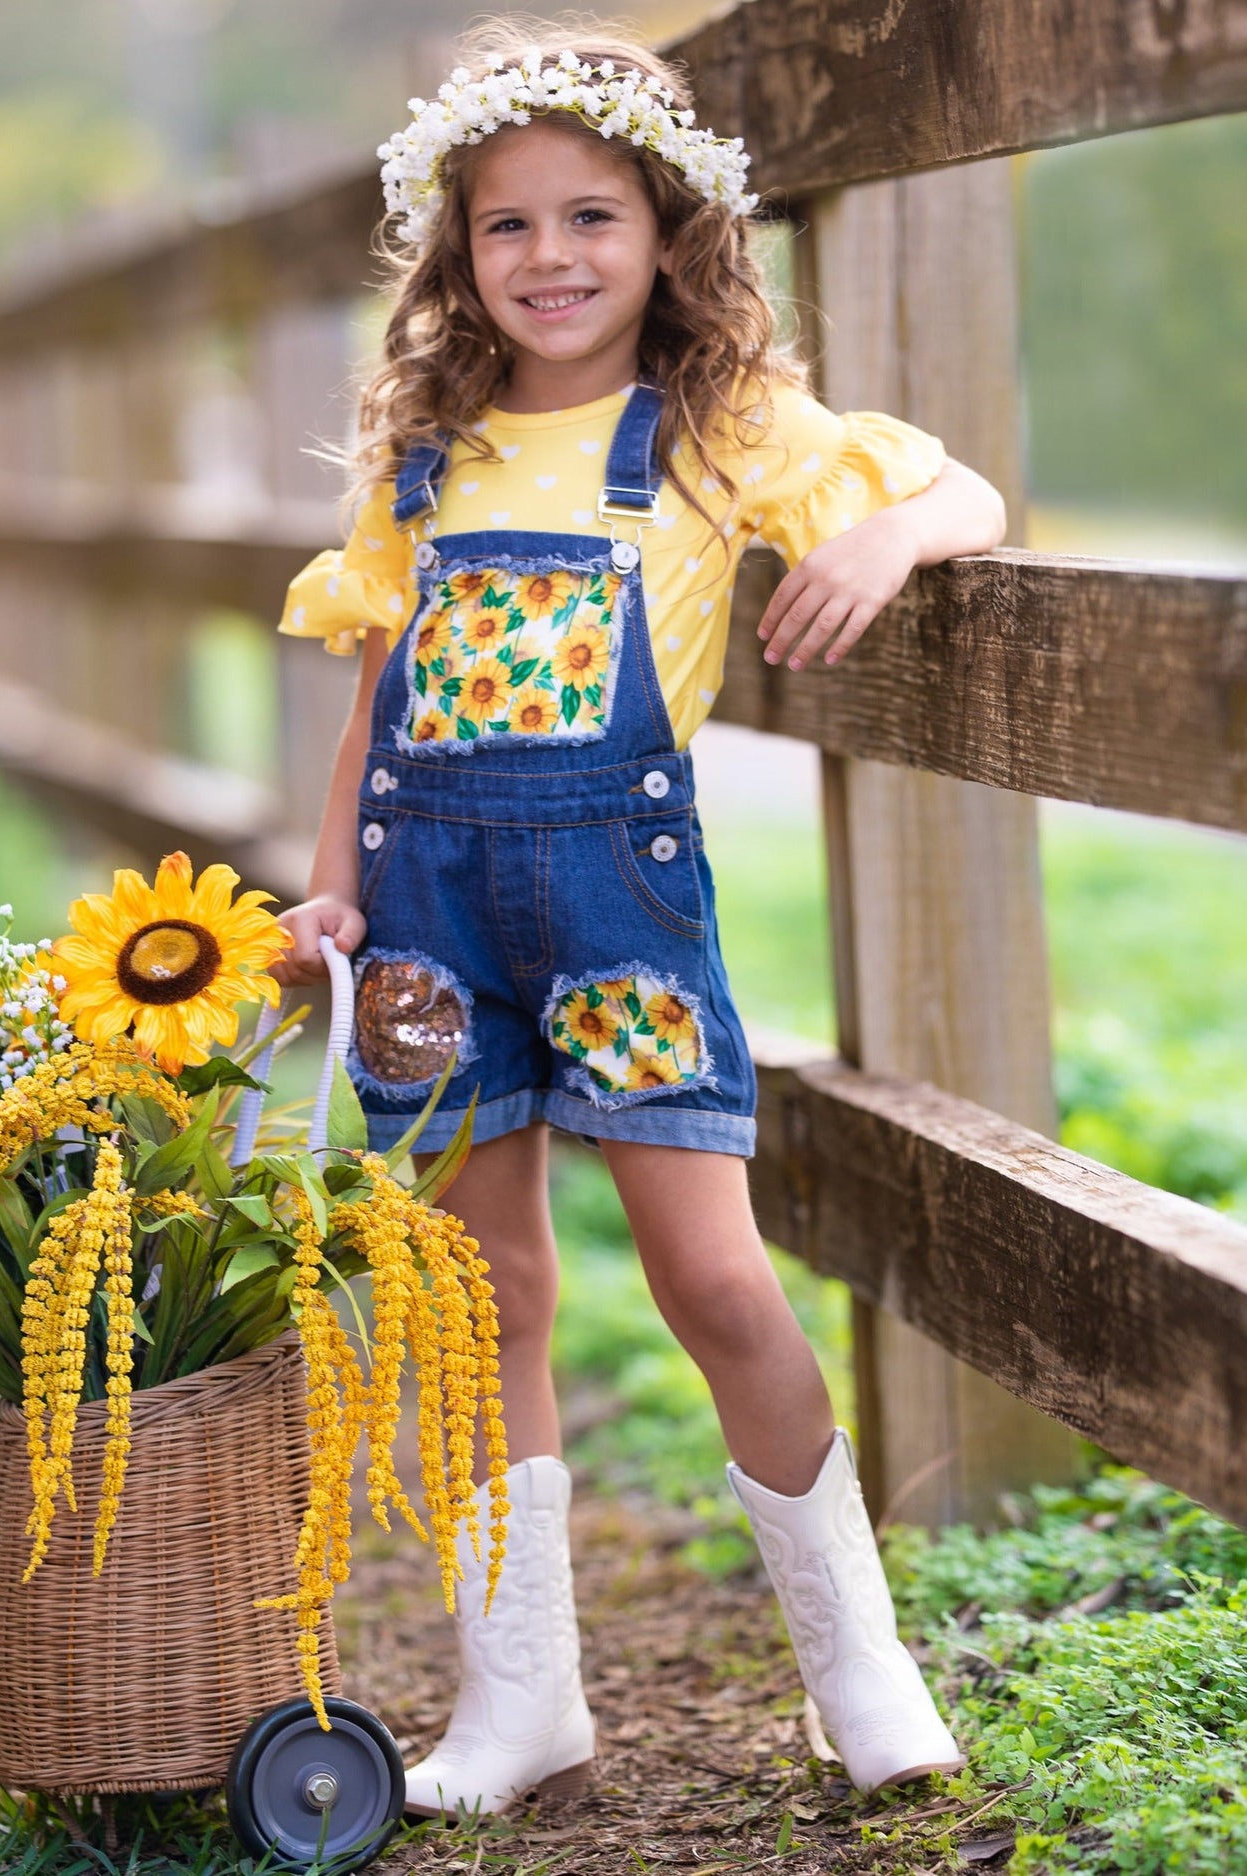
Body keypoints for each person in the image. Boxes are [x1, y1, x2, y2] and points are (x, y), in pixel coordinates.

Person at [273, 21, 1004, 1818]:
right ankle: (521, 1701)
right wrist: (335, 883)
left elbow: (963, 490)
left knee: (715, 1279)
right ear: (459, 251)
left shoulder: (718, 426)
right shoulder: (424, 449)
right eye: (506, 226)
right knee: (477, 1289)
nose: (550, 259)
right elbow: (376, 699)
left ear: (669, 229)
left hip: (618, 918)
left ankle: (862, 1670)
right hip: (425, 929)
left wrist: (883, 544)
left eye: (590, 216)